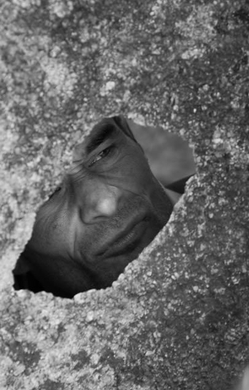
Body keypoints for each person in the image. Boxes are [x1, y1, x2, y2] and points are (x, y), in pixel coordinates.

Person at [13, 116, 191, 298]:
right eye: (47, 192)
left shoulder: (221, 189)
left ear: (128, 133)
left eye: (103, 154)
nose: (106, 204)